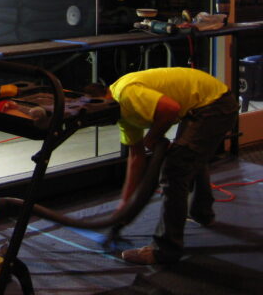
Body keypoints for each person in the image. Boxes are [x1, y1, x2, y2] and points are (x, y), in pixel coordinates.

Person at [93, 67, 239, 265]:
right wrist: (125, 204)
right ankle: (202, 213)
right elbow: (136, 159)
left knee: (175, 169)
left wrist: (152, 138)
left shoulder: (126, 93)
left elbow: (170, 109)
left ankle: (165, 251)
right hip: (204, 103)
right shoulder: (123, 116)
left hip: (214, 104)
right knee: (189, 155)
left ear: (104, 98)